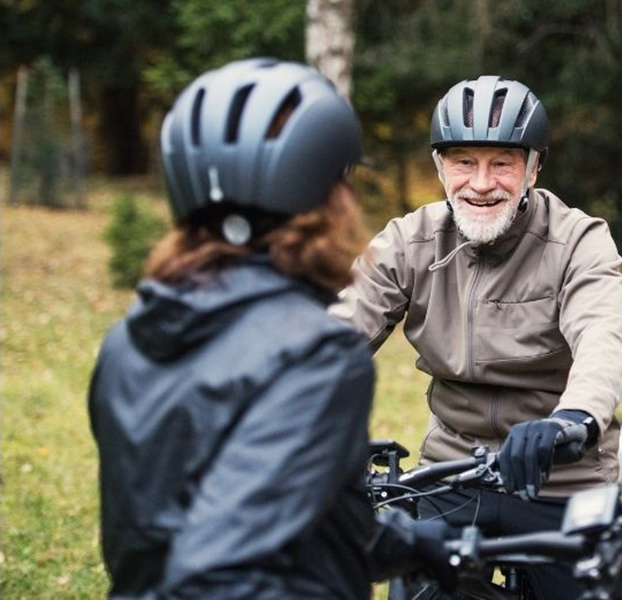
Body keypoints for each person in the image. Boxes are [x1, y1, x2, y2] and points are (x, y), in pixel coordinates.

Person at [89, 58, 452, 600]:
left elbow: (251, 511)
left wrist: (402, 542)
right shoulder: (314, 352)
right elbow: (220, 568)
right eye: (342, 181)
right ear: (325, 198)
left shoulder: (129, 339)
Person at [331, 75, 622, 598]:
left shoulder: (578, 241)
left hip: (561, 476)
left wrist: (573, 420)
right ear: (440, 167)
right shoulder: (410, 241)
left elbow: (602, 336)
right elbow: (337, 332)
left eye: (502, 163)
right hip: (451, 472)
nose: (481, 182)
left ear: (533, 168)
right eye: (464, 162)